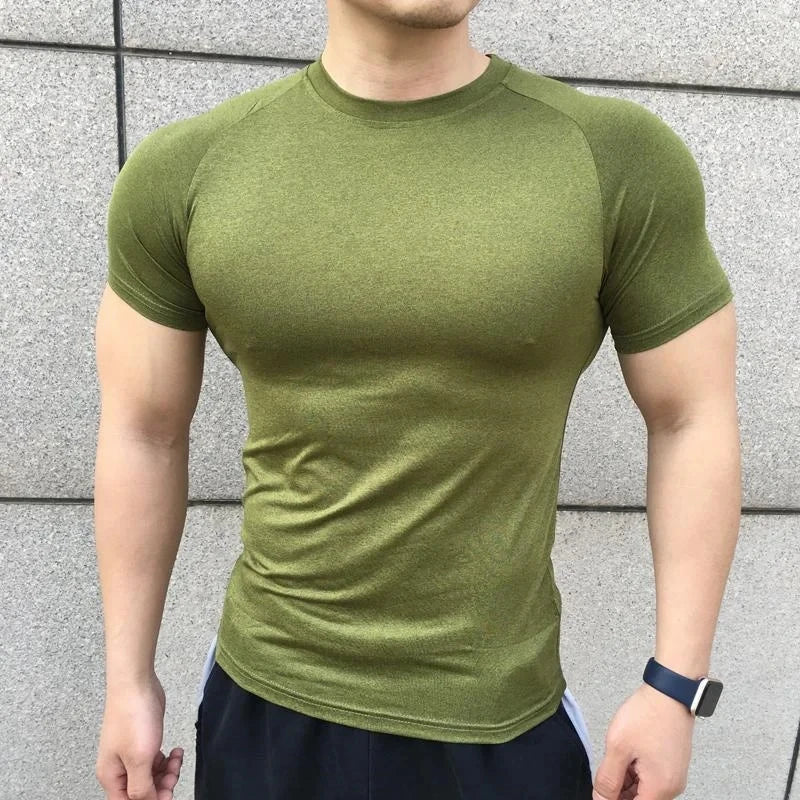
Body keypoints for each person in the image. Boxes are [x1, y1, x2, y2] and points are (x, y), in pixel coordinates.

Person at [93, 0, 741, 798]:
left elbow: (690, 418)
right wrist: (127, 679)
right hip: (266, 704)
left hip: (501, 722)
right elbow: (143, 430)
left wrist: (675, 688)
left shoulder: (614, 158)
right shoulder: (188, 168)